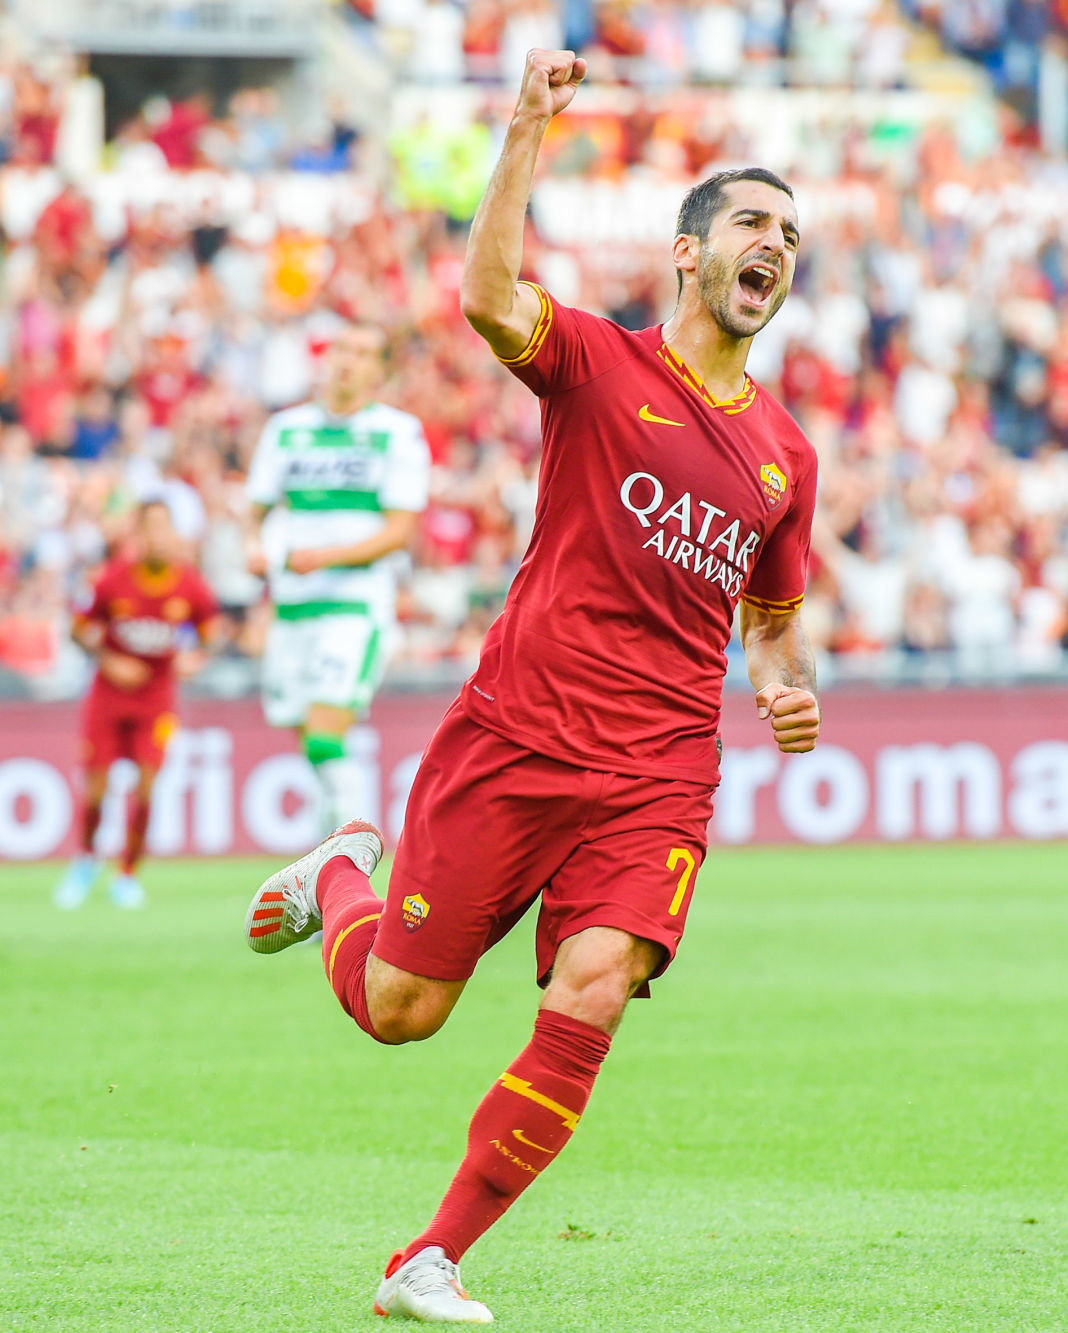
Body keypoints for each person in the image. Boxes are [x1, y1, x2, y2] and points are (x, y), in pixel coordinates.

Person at [241, 48, 821, 1324]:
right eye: (750, 222)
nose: (775, 243)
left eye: (789, 231)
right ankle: (341, 870)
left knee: (597, 987)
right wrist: (523, 130)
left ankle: (427, 1257)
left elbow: (773, 624)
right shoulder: (600, 367)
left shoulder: (785, 455)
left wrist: (787, 685)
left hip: (660, 773)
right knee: (400, 1011)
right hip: (518, 736)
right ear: (688, 252)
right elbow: (488, 293)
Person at [246, 322, 432, 835]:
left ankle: (345, 852)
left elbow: (399, 532)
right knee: (306, 735)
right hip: (292, 604)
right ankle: (336, 839)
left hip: (354, 604)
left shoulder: (396, 432)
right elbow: (256, 512)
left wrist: (326, 557)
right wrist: (253, 550)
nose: (347, 360)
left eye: (362, 353)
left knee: (326, 736)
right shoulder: (284, 429)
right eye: (341, 350)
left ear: (379, 372)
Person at [56, 501, 224, 910]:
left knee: (148, 787)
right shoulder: (113, 580)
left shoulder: (188, 584)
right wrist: (109, 660)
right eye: (149, 528)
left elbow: (211, 630)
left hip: (157, 700)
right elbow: (78, 628)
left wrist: (195, 658)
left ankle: (127, 874)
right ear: (138, 534)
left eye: (164, 528)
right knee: (96, 789)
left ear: (173, 534)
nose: (157, 537)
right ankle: (86, 859)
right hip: (108, 696)